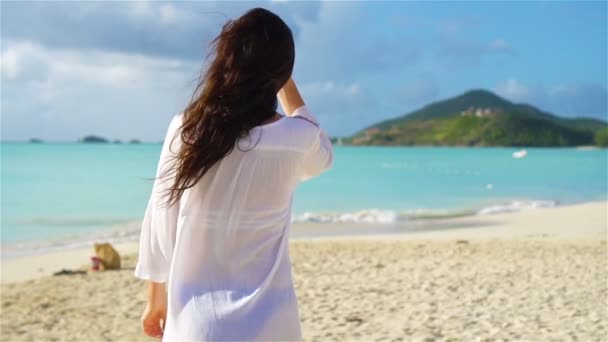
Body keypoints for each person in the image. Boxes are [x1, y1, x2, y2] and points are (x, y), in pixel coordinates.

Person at [133, 7, 333, 341]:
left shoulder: (188, 130)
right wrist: (283, 80)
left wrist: (156, 299)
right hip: (272, 327)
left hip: (197, 327)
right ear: (282, 72)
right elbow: (322, 152)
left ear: (226, 62)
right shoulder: (297, 138)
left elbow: (159, 222)